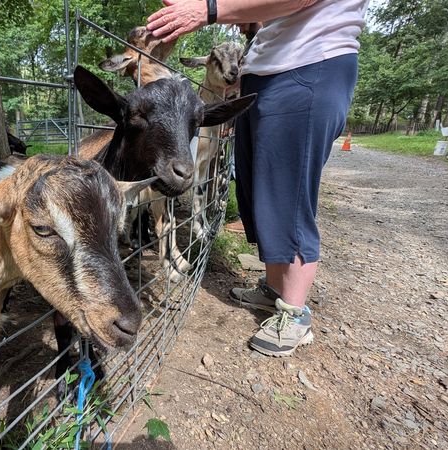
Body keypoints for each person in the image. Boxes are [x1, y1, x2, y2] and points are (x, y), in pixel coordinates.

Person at [148, 0, 369, 357]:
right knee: (260, 191)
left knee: (289, 193)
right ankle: (273, 289)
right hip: (272, 75)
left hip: (308, 67)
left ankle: (295, 314)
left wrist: (211, 10)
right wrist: (253, 19)